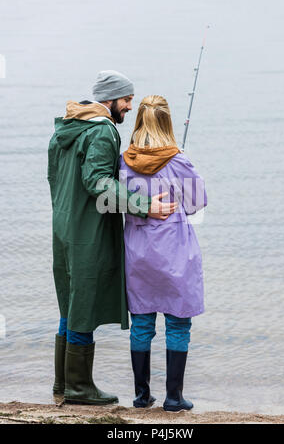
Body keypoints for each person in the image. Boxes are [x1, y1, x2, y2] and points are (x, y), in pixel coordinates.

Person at [47, 72, 178, 405]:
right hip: (87, 232)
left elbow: (55, 179)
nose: (130, 107)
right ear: (110, 100)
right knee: (83, 305)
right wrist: (146, 205)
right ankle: (80, 388)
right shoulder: (102, 131)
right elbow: (98, 183)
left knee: (70, 303)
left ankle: (62, 383)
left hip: (63, 227)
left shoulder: (65, 127)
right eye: (126, 100)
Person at [119, 95, 207, 412]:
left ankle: (142, 396)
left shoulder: (123, 161)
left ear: (139, 121)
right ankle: (173, 397)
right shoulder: (178, 161)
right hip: (175, 250)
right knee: (178, 323)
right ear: (168, 122)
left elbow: (115, 202)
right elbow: (197, 204)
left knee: (142, 323)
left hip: (137, 251)